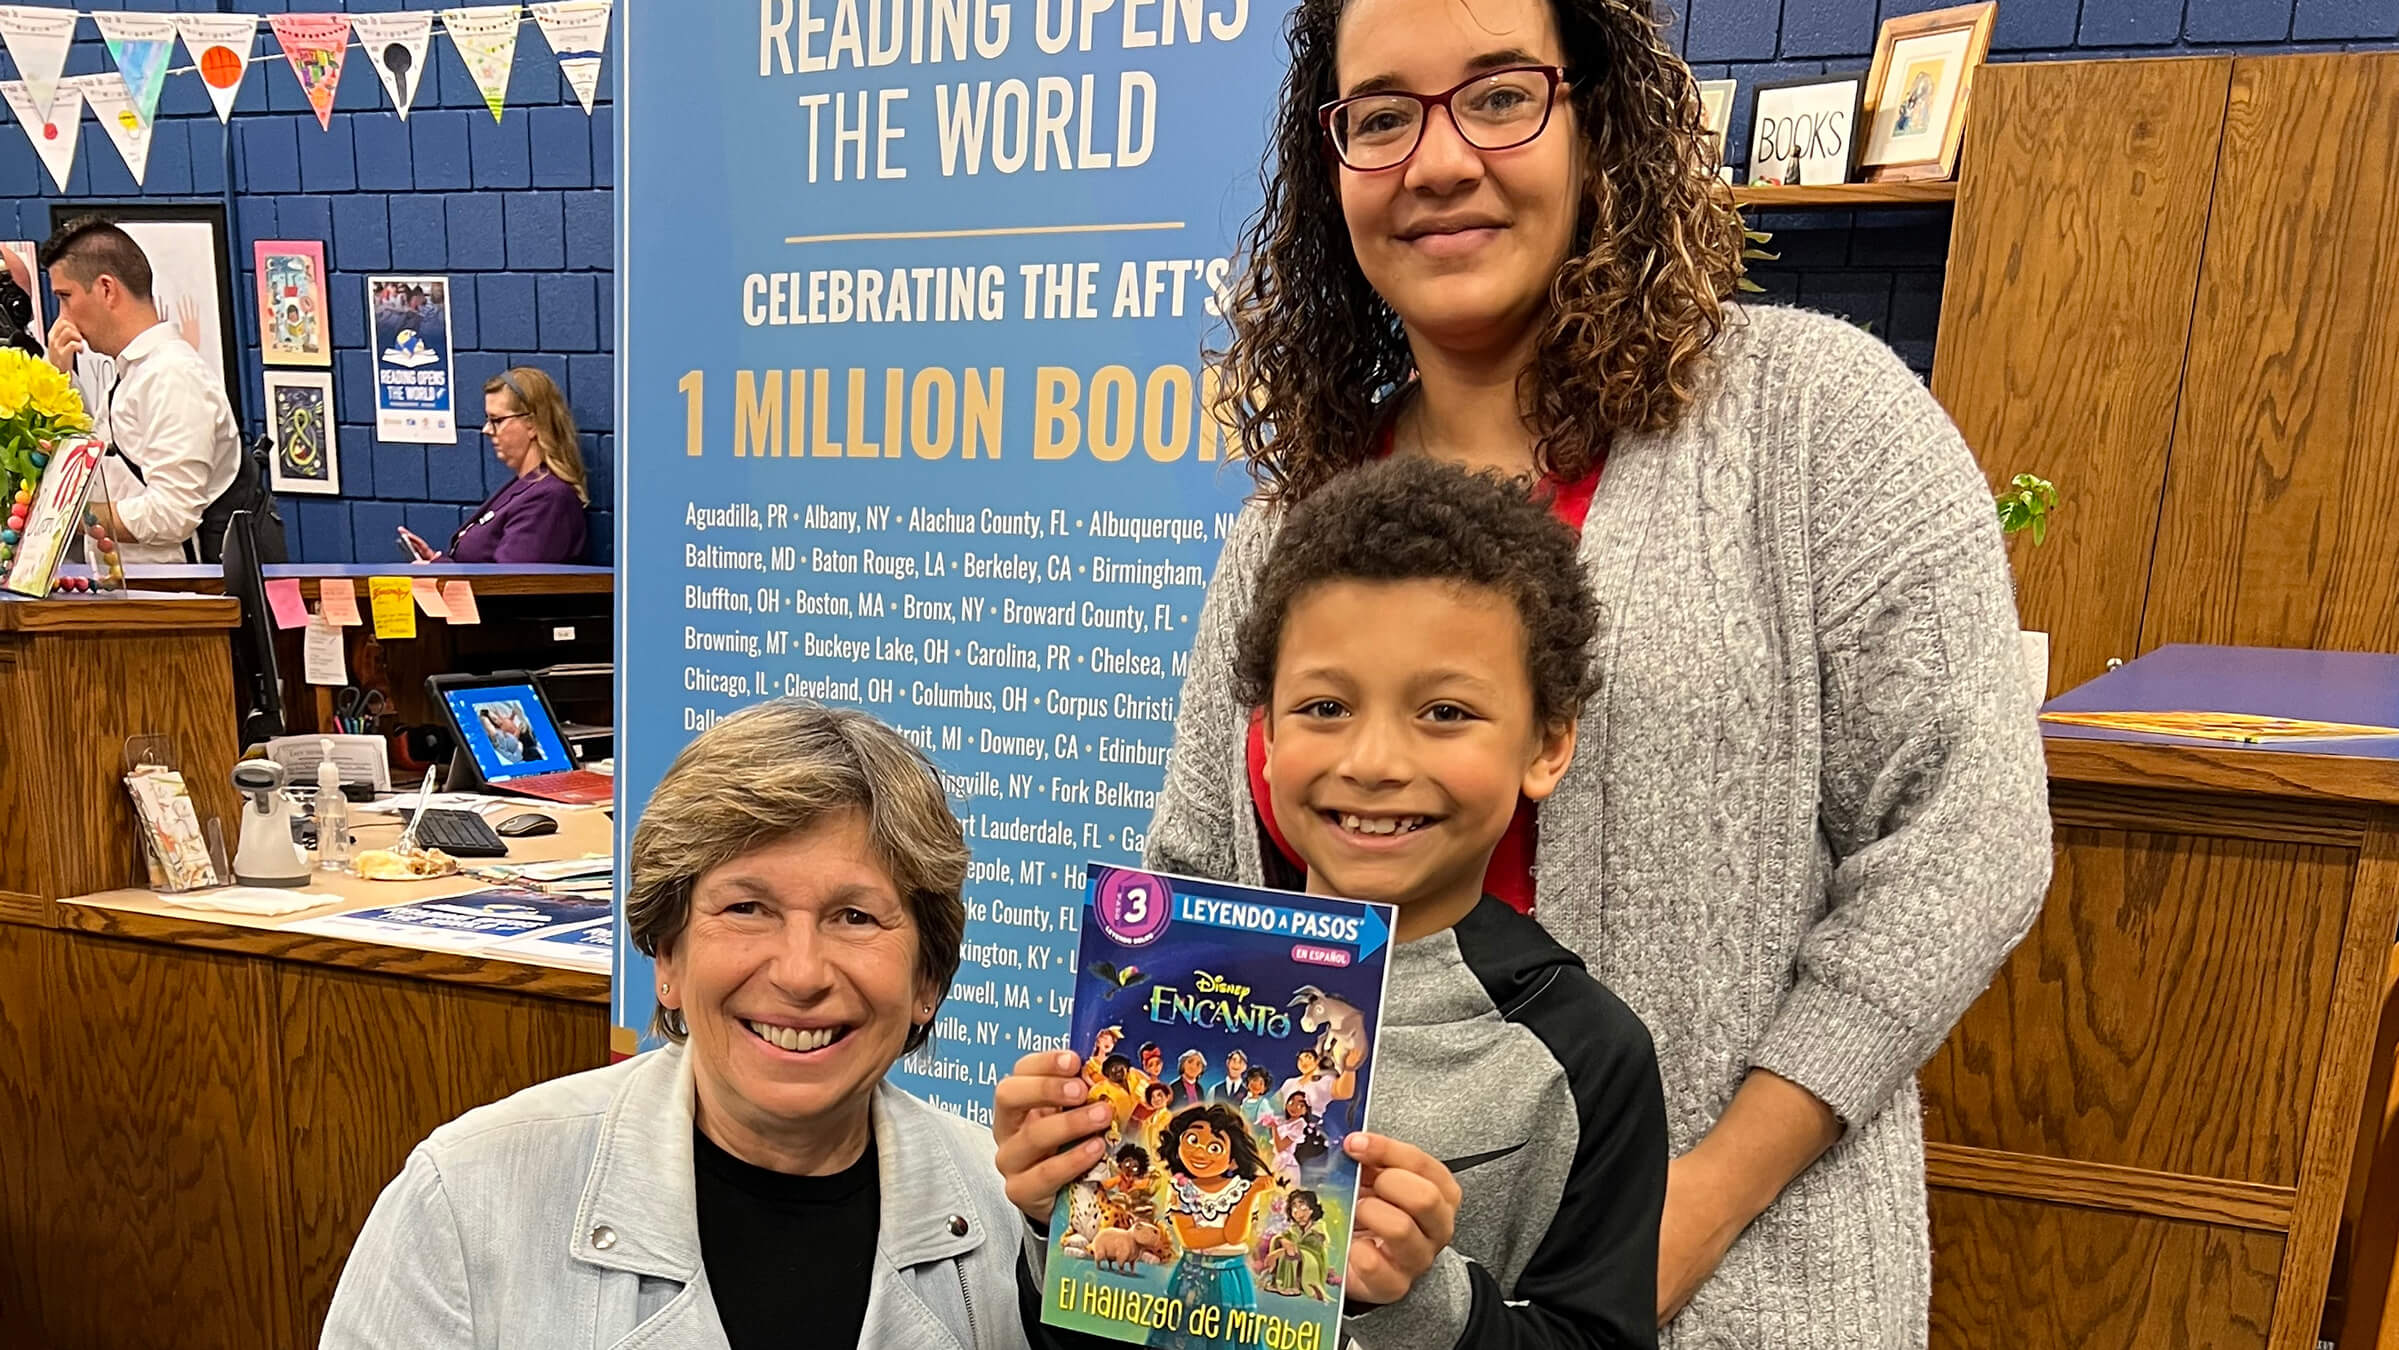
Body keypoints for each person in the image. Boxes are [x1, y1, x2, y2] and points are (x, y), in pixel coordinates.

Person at [1148, 0, 2052, 1341]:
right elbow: (1200, 879)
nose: (1438, 161)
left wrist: (1685, 1206)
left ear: (1596, 118)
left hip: (1731, 1286)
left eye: (1498, 95)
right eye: (1381, 116)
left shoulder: (1814, 423)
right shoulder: (1294, 514)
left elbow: (1967, 839)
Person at [999, 459, 1670, 1350]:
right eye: (1324, 706)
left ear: (1545, 745)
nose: (1374, 760)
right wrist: (1058, 1222)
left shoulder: (1582, 1053)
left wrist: (1421, 1301)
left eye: (1444, 711)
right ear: (1266, 741)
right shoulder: (1168, 994)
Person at [322, 699, 1028, 1350]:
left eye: (855, 917)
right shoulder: (468, 1199)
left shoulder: (1013, 1223)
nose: (801, 973)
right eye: (747, 908)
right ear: (667, 955)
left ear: (926, 981)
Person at [38, 217, 242, 565]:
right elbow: (94, 473)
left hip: (176, 604)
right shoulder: (134, 373)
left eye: (66, 297)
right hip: (133, 597)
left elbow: (172, 514)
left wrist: (69, 516)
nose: (63, 317)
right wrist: (56, 378)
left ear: (106, 289)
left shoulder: (173, 376)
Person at [400, 366, 590, 563]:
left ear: (532, 423)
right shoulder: (526, 486)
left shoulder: (548, 499)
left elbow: (508, 584)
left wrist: (439, 571)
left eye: (496, 420)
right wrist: (438, 564)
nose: (487, 430)